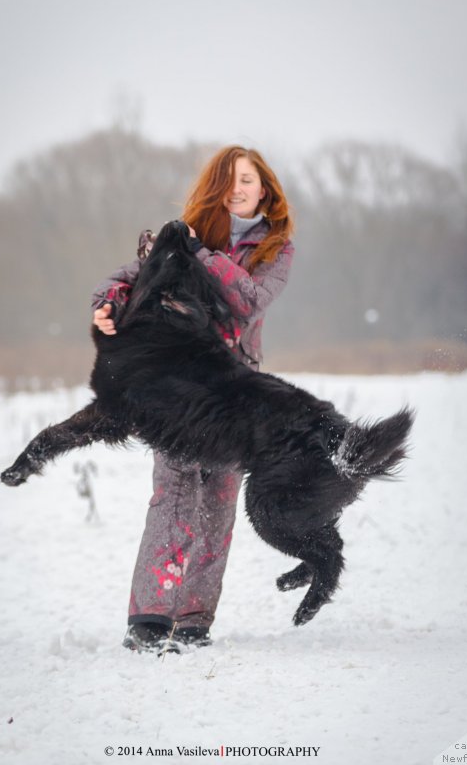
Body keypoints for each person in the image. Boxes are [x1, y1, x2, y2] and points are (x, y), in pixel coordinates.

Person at [91, 145, 294, 654]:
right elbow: (133, 274)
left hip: (234, 385)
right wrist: (109, 300)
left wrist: (199, 253)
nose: (238, 189)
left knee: (220, 501)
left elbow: (247, 300)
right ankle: (151, 616)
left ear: (264, 189)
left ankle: (194, 618)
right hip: (179, 382)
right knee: (176, 490)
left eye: (248, 180)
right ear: (215, 188)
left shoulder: (276, 248)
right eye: (229, 180)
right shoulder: (187, 232)